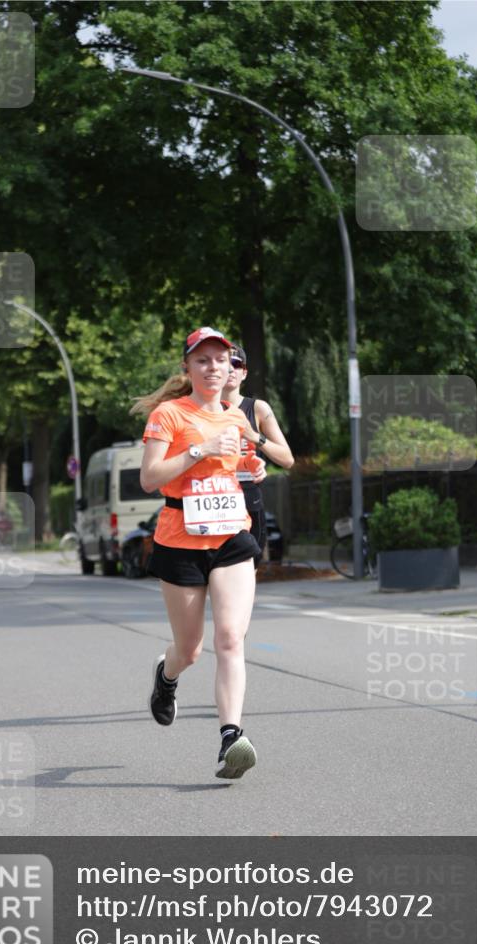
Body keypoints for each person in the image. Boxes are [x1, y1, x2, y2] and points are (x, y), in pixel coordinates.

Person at [131, 327, 266, 779]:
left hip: (231, 536)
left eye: (220, 359)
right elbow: (151, 478)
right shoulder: (168, 415)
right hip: (180, 539)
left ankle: (231, 737)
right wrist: (200, 448)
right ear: (187, 368)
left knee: (230, 639)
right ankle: (166, 678)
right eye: (203, 360)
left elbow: (239, 464)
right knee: (190, 649)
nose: (213, 367)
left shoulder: (235, 416)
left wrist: (254, 464)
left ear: (232, 368)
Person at [222, 344, 294, 561]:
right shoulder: (200, 409)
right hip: (214, 500)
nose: (230, 369)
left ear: (244, 373)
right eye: (225, 363)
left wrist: (254, 436)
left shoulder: (258, 409)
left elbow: (287, 459)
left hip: (249, 502)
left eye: (236, 365)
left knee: (245, 577)